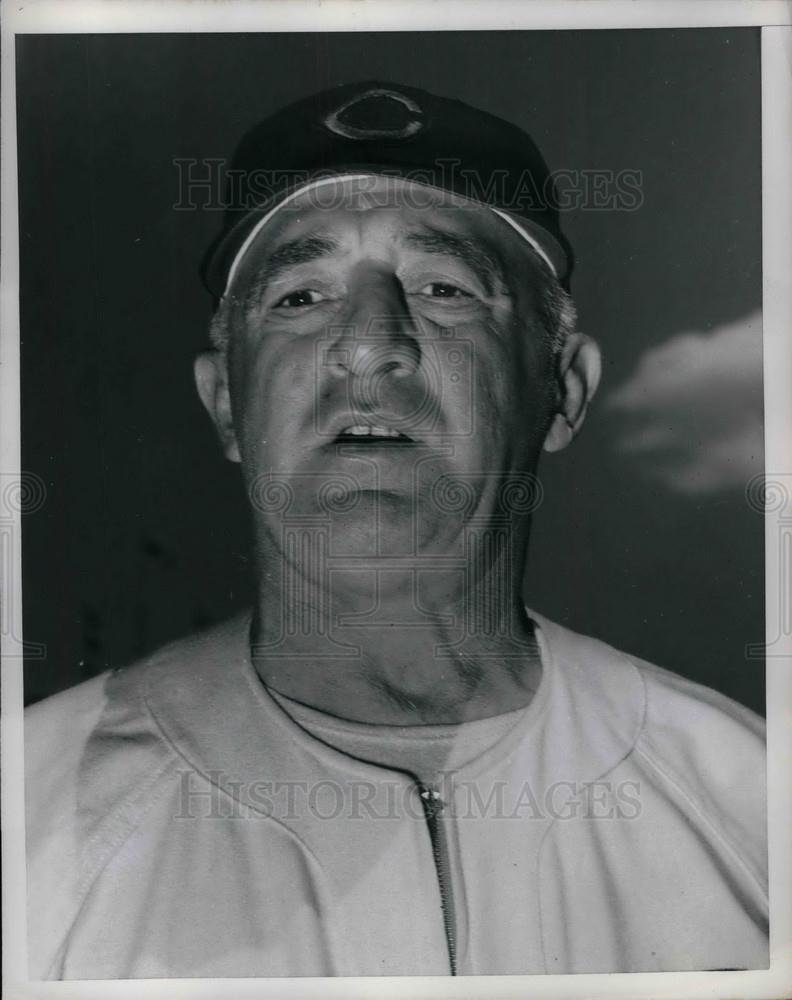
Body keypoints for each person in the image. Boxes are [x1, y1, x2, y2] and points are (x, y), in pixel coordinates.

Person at [25, 81, 767, 979]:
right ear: (226, 403)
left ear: (562, 389)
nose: (371, 343)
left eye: (445, 288)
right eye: (300, 296)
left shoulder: (757, 804)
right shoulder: (28, 823)